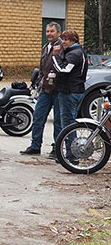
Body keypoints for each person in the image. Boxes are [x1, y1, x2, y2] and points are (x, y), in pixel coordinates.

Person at [20, 22, 63, 156]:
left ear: (59, 33)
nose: (49, 34)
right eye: (48, 31)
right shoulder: (45, 47)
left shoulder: (62, 47)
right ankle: (35, 145)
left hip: (58, 90)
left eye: (52, 31)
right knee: (38, 118)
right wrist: (39, 83)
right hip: (45, 90)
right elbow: (42, 68)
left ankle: (57, 148)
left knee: (58, 121)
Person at [52, 29, 88, 164]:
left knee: (68, 125)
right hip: (76, 91)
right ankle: (70, 154)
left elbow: (63, 70)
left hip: (70, 92)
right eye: (63, 39)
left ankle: (72, 156)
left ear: (73, 40)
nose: (63, 42)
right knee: (69, 123)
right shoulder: (79, 52)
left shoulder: (74, 54)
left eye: (66, 39)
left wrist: (55, 56)